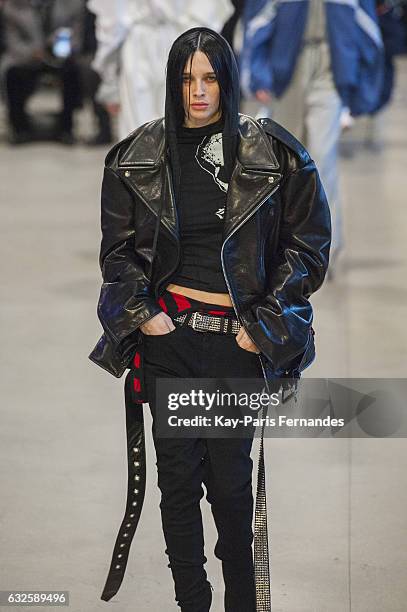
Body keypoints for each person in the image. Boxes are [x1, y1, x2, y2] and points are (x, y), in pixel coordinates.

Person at [89, 27, 331, 611]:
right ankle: (192, 604)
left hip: (234, 347)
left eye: (210, 77)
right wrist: (145, 317)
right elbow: (117, 255)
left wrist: (267, 322)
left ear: (227, 80)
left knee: (229, 489)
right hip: (170, 341)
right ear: (173, 83)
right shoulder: (136, 156)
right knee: (176, 491)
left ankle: (242, 603)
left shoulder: (272, 152)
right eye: (187, 79)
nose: (199, 91)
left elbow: (309, 246)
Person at [241, 0, 384, 267]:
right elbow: (257, 20)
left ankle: (325, 247)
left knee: (322, 156)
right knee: (283, 158)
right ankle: (280, 244)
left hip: (331, 69)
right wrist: (258, 75)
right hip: (287, 70)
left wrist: (362, 89)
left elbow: (368, 28)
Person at [87, 0, 233, 138]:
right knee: (181, 122)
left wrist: (109, 78)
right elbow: (209, 11)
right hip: (176, 38)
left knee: (139, 127)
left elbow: (111, 22)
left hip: (148, 43)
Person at [0, 0, 84, 144]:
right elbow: (12, 43)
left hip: (60, 56)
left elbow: (76, 39)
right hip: (25, 57)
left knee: (73, 71)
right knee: (12, 73)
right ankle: (20, 129)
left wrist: (57, 47)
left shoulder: (73, 4)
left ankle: (65, 128)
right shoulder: (13, 6)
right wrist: (34, 52)